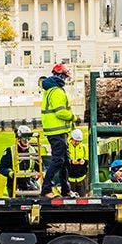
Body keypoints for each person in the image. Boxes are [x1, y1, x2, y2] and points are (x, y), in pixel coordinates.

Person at [40, 63, 75, 197]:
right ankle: (46, 189)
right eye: (65, 77)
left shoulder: (52, 90)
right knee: (58, 160)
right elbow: (60, 112)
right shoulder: (57, 92)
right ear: (61, 76)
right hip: (57, 132)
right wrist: (74, 117)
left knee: (65, 161)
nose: (66, 80)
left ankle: (66, 189)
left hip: (58, 132)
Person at [0, 125, 42, 196]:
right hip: (14, 183)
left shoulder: (34, 151)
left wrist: (38, 173)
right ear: (19, 138)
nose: (26, 141)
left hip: (29, 183)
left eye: (28, 138)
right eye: (24, 138)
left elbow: (39, 168)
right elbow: (1, 168)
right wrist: (11, 173)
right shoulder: (10, 151)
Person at [67, 128, 90, 197]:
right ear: (72, 138)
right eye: (76, 141)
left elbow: (87, 160)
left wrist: (84, 161)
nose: (77, 142)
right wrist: (71, 162)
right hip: (69, 179)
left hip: (82, 179)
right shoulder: (66, 147)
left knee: (82, 199)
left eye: (79, 141)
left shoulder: (83, 147)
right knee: (69, 200)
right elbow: (62, 161)